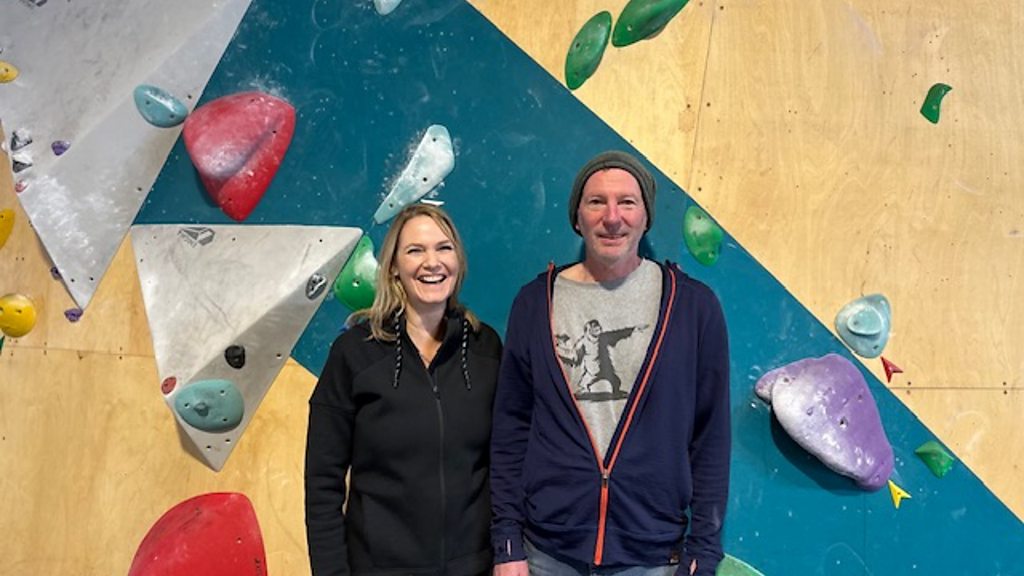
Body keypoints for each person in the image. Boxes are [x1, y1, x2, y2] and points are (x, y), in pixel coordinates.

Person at [490, 151, 731, 576]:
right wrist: (507, 544)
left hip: (652, 557)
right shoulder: (534, 303)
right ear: (577, 218)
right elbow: (511, 428)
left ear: (646, 217)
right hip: (546, 553)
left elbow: (711, 437)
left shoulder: (693, 307)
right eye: (597, 202)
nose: (612, 217)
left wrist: (704, 553)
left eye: (627, 202)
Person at [306, 204, 503, 576]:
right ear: (394, 265)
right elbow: (322, 483)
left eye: (444, 248)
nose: (432, 262)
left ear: (458, 260)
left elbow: (505, 462)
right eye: (415, 250)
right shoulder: (355, 354)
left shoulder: (485, 348)